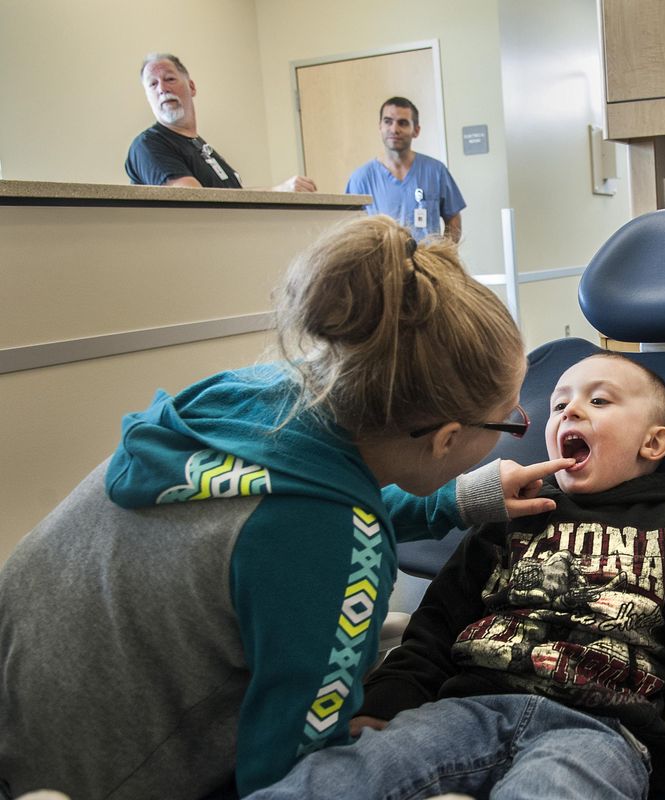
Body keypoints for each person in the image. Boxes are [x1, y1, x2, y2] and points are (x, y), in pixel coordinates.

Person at [0, 215, 573, 799]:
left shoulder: (261, 396)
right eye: (510, 418)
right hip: (92, 778)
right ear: (446, 438)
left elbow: (309, 499)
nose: (523, 427)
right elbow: (285, 775)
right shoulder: (335, 549)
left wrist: (456, 499)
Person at [248, 353, 665, 800]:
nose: (570, 407)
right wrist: (385, 702)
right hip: (463, 708)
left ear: (654, 443)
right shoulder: (513, 517)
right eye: (559, 403)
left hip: (599, 729)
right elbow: (437, 621)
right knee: (335, 777)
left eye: (599, 400)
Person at [126, 52, 317, 192]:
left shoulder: (200, 146)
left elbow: (234, 198)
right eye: (153, 84)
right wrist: (278, 191)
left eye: (169, 79)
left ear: (191, 87)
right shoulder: (149, 145)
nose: (162, 88)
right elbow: (196, 201)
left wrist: (281, 193)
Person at [345, 97, 466, 242]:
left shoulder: (435, 171)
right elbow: (350, 231)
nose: (394, 129)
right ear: (380, 127)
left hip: (426, 263)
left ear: (416, 130)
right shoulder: (361, 179)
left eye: (402, 123)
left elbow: (453, 219)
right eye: (388, 121)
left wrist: (444, 256)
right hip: (383, 264)